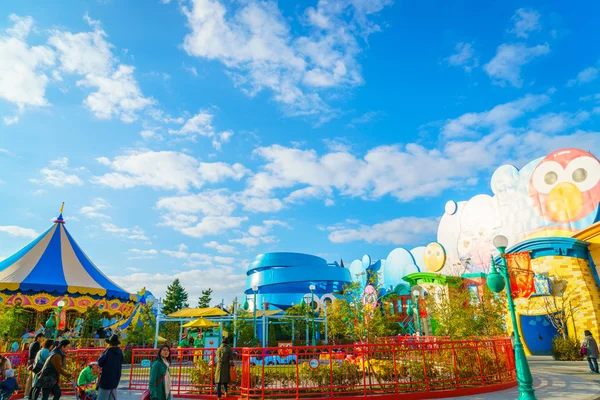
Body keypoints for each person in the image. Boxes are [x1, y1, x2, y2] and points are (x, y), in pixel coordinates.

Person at [97, 335, 123, 400]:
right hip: (116, 378)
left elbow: (100, 362)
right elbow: (122, 361)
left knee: (102, 397)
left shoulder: (108, 351)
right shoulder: (120, 352)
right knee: (112, 397)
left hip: (106, 379)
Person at [26, 333, 45, 398]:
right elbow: (37, 354)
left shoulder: (32, 343)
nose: (42, 339)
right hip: (33, 361)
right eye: (42, 337)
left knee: (31, 378)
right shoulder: (37, 344)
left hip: (30, 361)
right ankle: (28, 394)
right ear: (38, 337)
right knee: (33, 378)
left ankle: (28, 393)